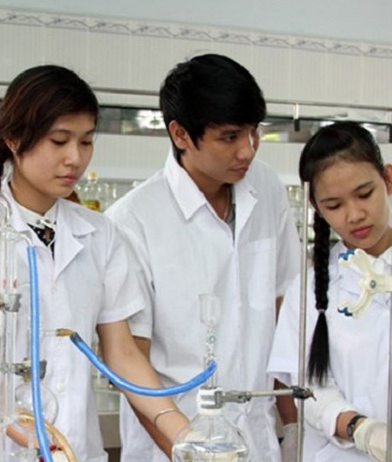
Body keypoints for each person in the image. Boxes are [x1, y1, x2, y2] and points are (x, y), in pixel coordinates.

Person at [0, 64, 190, 462]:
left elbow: (123, 354)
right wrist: (34, 437)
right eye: (60, 141)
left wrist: (183, 433)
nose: (75, 158)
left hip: (75, 450)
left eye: (86, 142)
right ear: (14, 139)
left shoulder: (100, 234)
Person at [105, 53, 301, 462]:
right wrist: (185, 449)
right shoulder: (133, 221)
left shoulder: (266, 187)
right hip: (176, 442)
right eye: (230, 137)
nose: (247, 151)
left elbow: (283, 310)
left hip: (258, 440)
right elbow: (130, 359)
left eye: (254, 132)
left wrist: (295, 426)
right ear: (180, 134)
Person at [268, 121, 391, 461]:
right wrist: (363, 430)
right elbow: (309, 389)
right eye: (334, 205)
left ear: (388, 179)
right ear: (317, 207)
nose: (355, 215)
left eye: (364, 194)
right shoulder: (307, 291)